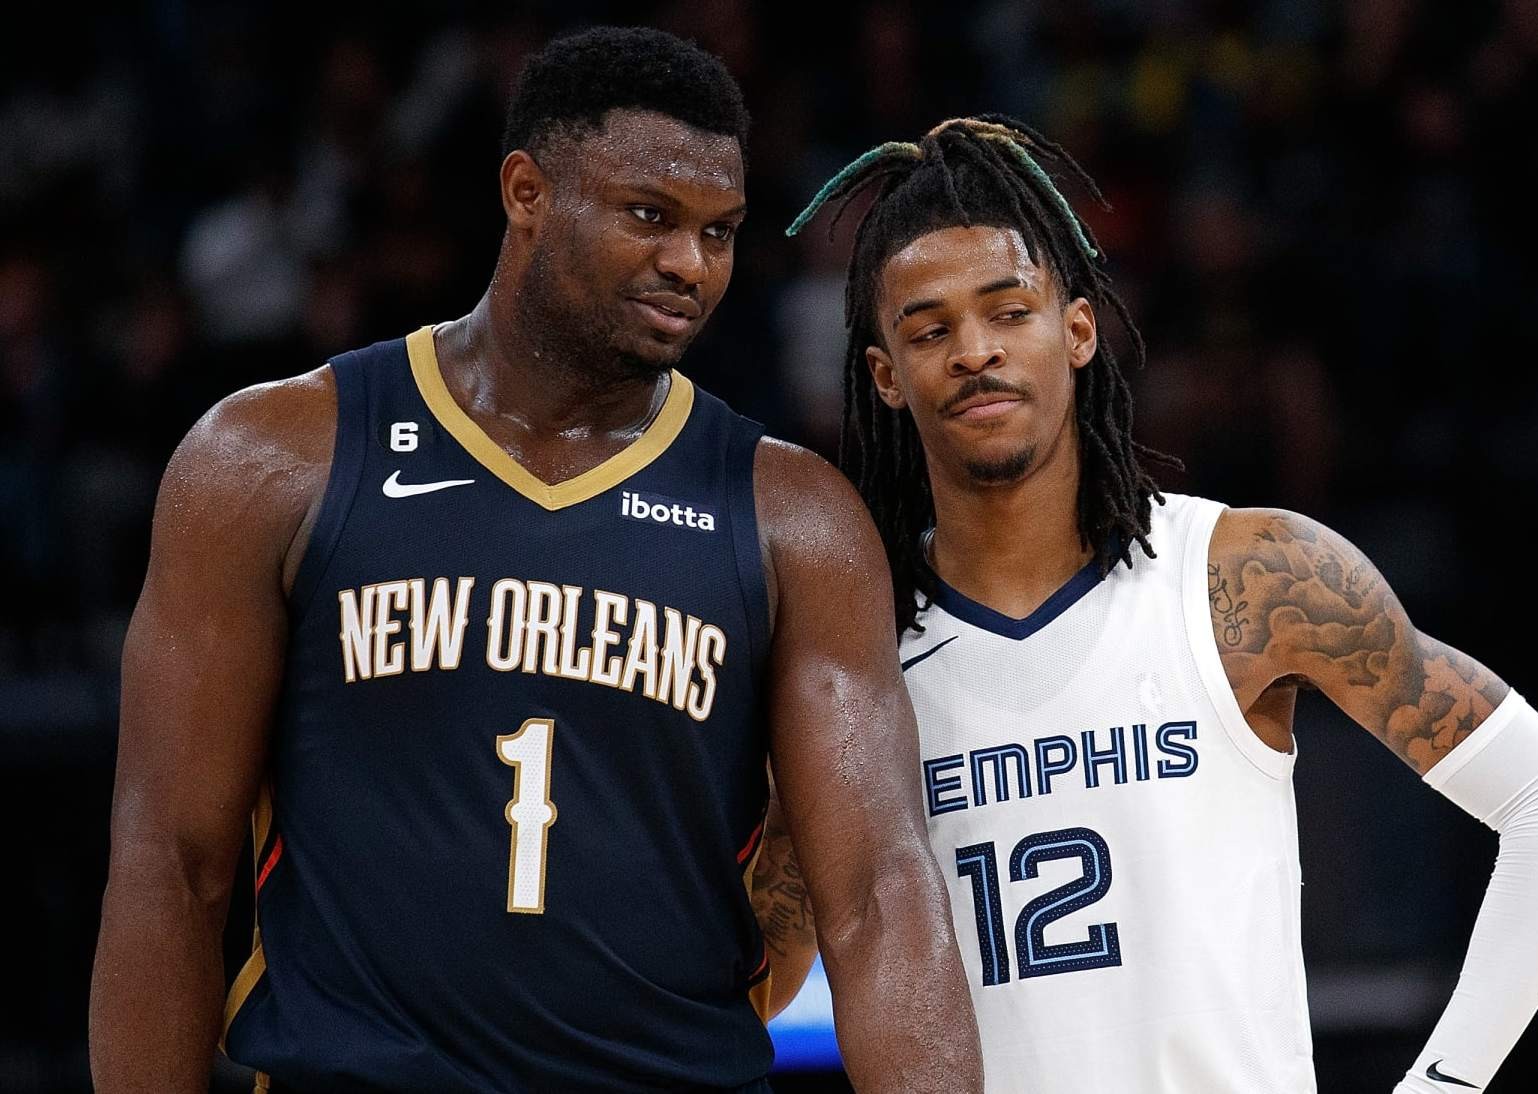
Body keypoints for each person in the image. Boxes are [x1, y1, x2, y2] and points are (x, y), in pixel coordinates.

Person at [89, 28, 980, 1094]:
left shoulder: (795, 517)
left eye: (719, 232)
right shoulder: (271, 459)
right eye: (650, 215)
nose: (690, 264)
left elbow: (879, 895)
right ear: (526, 192)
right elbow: (172, 864)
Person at [785, 115, 1538, 1093]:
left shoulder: (1252, 578)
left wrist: (1442, 1084)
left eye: (1009, 311)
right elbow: (763, 958)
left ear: (1079, 330)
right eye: (931, 329)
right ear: (885, 373)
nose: (974, 350)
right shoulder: (852, 649)